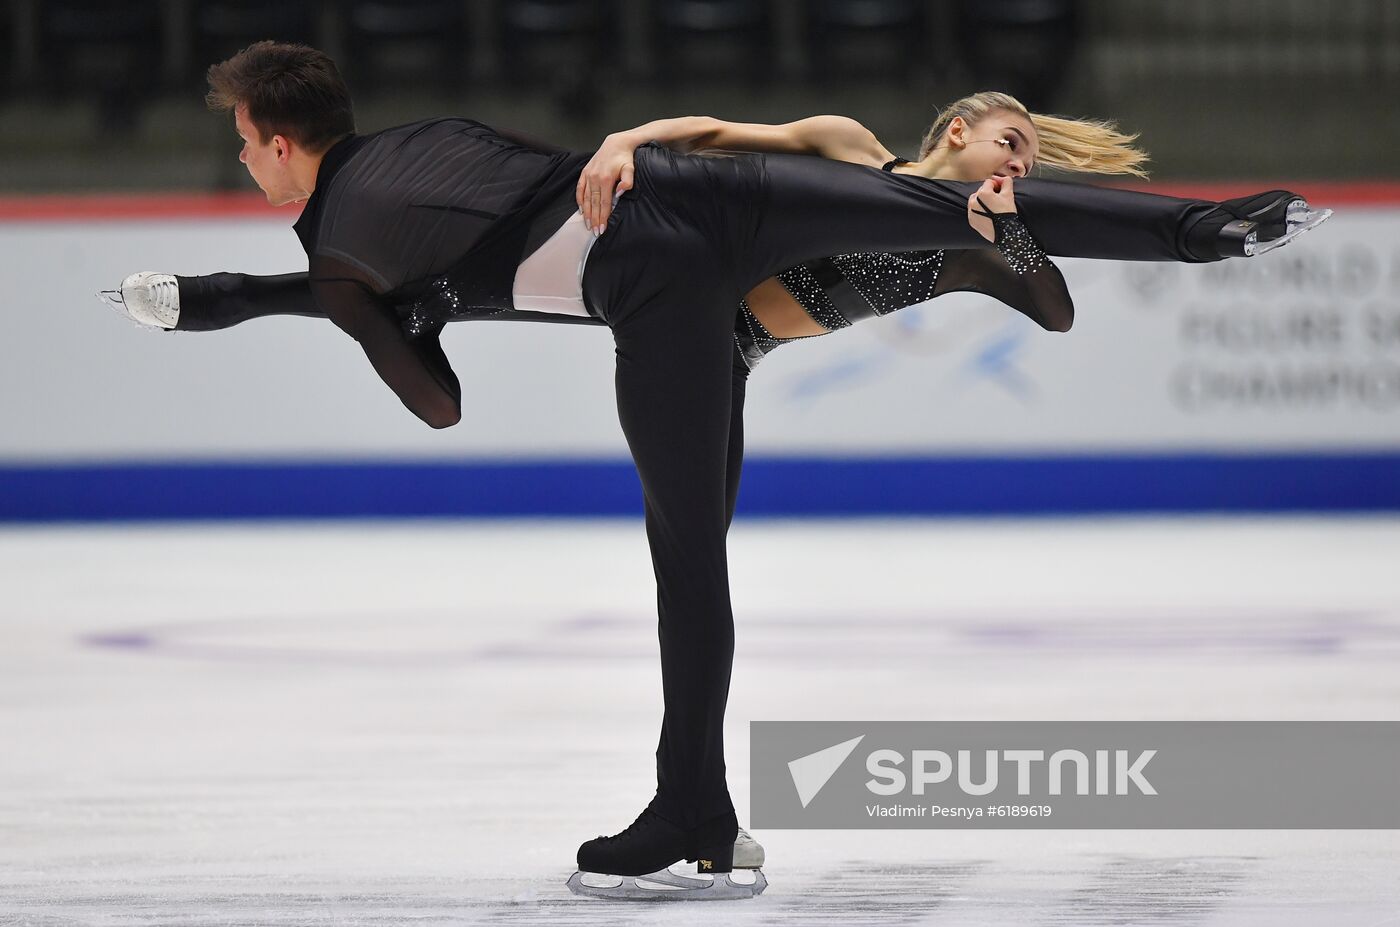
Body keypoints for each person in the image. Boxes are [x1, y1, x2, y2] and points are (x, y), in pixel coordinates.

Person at [100, 41, 1328, 901]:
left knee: (688, 565)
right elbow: (515, 215)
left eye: (246, 153)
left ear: (270, 143)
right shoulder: (426, 139)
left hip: (661, 302)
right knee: (954, 214)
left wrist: (351, 310)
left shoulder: (336, 243)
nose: (249, 172)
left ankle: (690, 808)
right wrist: (263, 299)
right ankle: (1205, 228)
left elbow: (436, 402)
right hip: (713, 210)